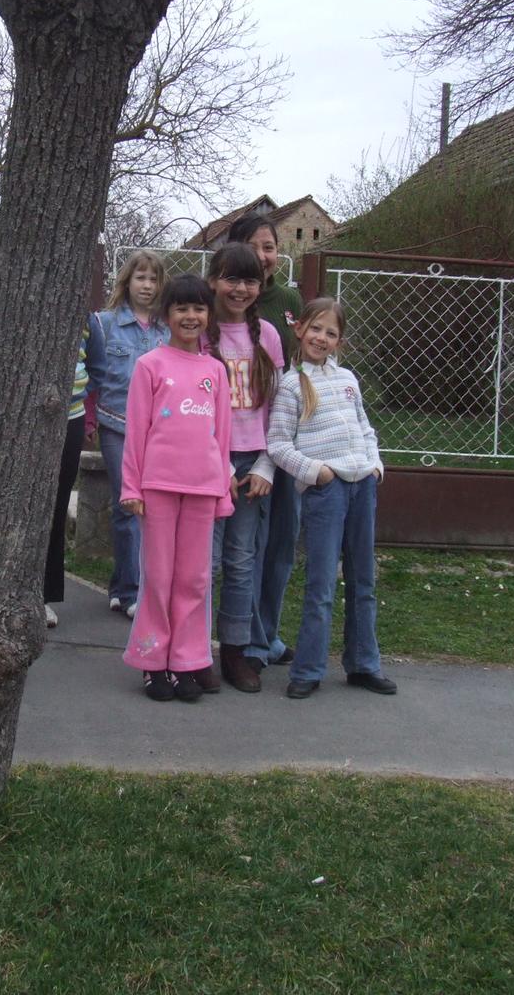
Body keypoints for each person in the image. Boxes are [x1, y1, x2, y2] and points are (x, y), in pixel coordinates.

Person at [266, 297, 395, 700]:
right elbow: (278, 444)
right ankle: (308, 669)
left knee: (363, 579)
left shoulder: (348, 380)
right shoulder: (290, 385)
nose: (321, 338)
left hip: (362, 487)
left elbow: (366, 429)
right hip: (327, 491)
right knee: (321, 585)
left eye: (331, 333)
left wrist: (375, 466)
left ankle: (363, 663)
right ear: (300, 329)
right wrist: (316, 473)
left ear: (340, 341)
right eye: (316, 329)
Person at [119, 274, 233, 703]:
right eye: (181, 308)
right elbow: (136, 431)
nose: (190, 316)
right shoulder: (150, 365)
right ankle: (153, 661)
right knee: (159, 577)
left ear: (209, 315)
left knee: (194, 579)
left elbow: (223, 438)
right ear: (166, 315)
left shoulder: (215, 371)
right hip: (157, 488)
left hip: (202, 490)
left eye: (199, 308)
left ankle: (186, 660)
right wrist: (132, 487)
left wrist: (222, 491)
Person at [0, 271, 82, 630]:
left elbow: (92, 356)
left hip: (63, 414)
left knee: (53, 505)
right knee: (3, 502)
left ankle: (42, 594)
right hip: (6, 414)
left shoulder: (69, 281)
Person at [226, 213, 303, 671]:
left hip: (284, 441)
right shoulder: (218, 307)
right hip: (238, 450)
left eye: (270, 247)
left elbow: (297, 368)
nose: (262, 256)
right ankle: (249, 640)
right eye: (253, 246)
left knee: (279, 543)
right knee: (244, 550)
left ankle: (267, 632)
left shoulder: (288, 301)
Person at [206, 243, 284, 692]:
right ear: (213, 280)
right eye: (231, 278)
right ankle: (195, 651)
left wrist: (266, 465)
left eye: (250, 280)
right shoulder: (200, 331)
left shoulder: (267, 336)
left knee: (240, 561)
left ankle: (235, 652)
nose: (240, 288)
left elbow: (279, 409)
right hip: (208, 464)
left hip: (252, 466)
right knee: (206, 562)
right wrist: (216, 466)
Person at [86, 249, 168, 619]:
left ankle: (122, 586)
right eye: (140, 277)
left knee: (150, 506)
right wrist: (89, 420)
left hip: (159, 431)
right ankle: (133, 591)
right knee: (128, 502)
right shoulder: (104, 324)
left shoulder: (167, 329)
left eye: (153, 279)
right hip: (116, 424)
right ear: (127, 281)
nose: (147, 285)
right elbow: (92, 376)